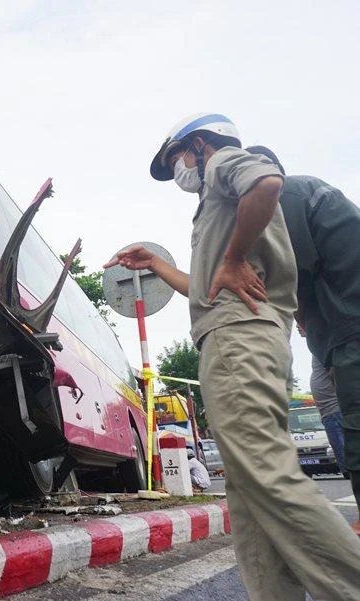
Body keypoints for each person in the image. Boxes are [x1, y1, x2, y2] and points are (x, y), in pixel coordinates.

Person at [105, 113, 360, 600]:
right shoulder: (217, 204)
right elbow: (207, 289)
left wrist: (234, 256)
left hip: (237, 340)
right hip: (237, 336)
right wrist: (160, 265)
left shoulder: (224, 161)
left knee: (266, 474)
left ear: (199, 145)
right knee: (248, 494)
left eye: (177, 157)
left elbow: (265, 182)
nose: (177, 170)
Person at [245, 144, 360, 532]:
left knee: (355, 423)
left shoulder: (286, 194)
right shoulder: (307, 192)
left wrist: (296, 311)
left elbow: (290, 273)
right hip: (342, 329)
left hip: (351, 327)